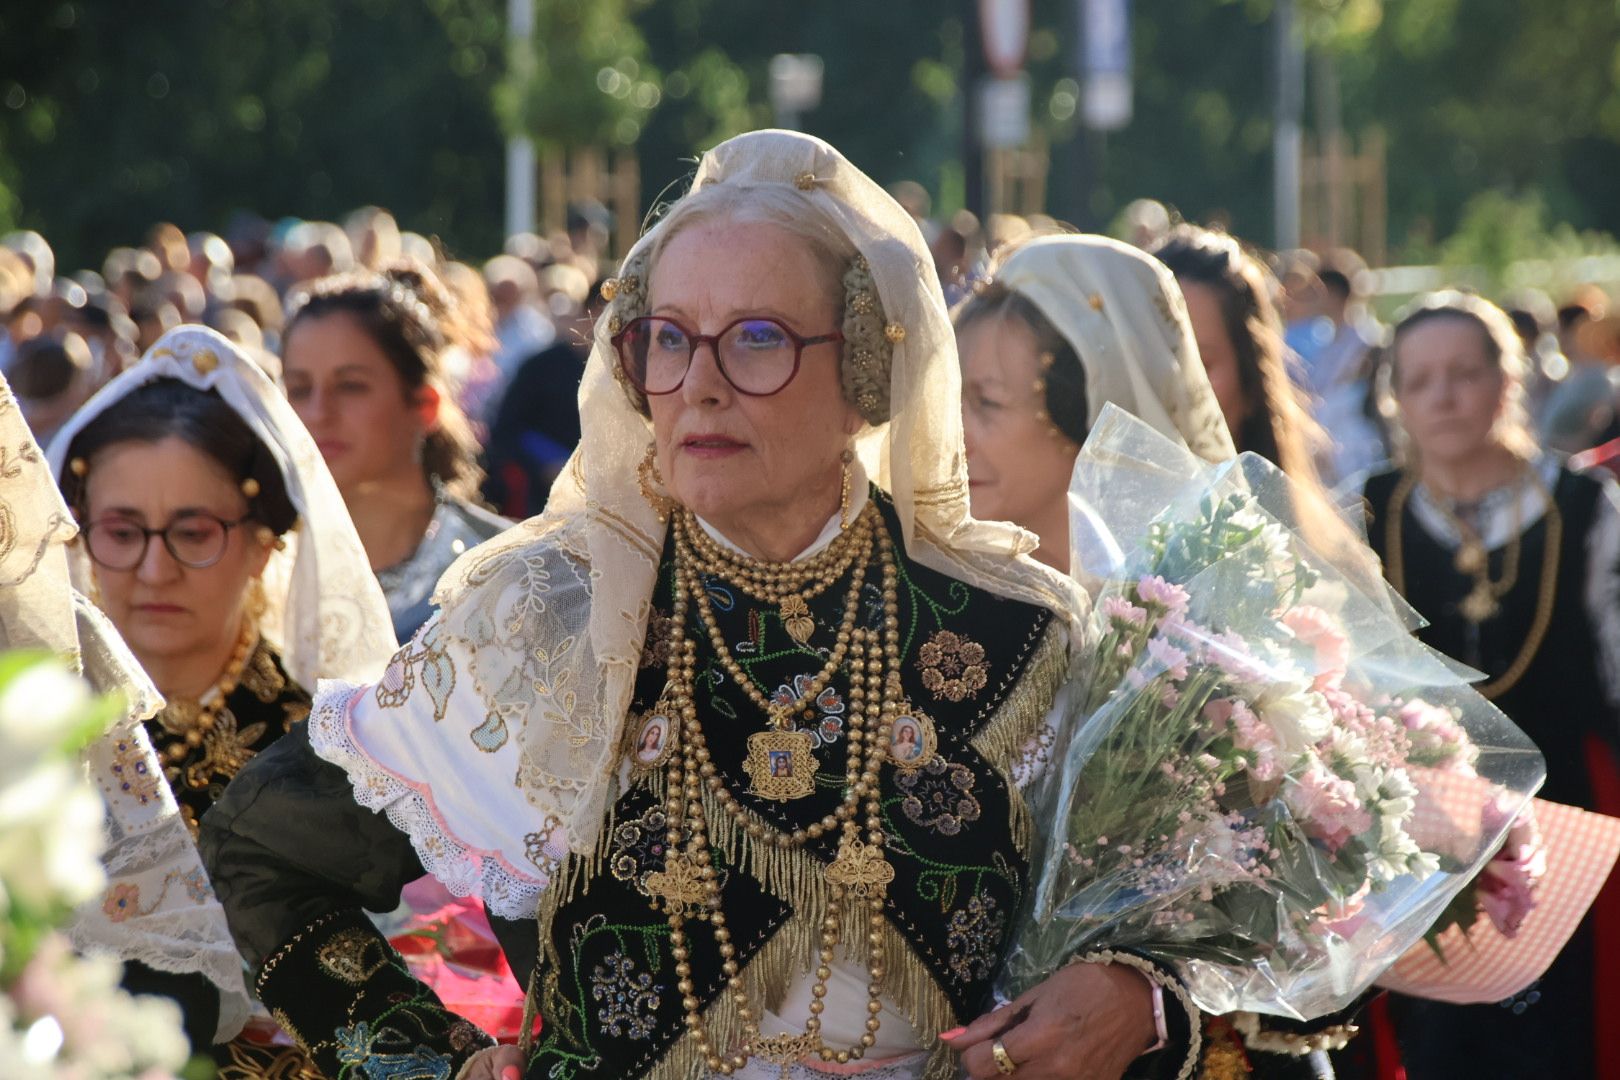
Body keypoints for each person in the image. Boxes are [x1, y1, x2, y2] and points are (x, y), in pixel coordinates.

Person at [200, 130, 1223, 1080]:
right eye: (669, 338)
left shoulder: (1016, 633)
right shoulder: (547, 618)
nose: (700, 384)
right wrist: (426, 1061)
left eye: (760, 338)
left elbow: (1157, 925)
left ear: (868, 369)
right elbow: (264, 849)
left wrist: (1138, 992)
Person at [44, 324, 396, 1074]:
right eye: (120, 530)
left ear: (266, 539)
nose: (152, 569)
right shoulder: (37, 738)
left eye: (192, 532)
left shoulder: (332, 745)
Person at [1361, 291, 1620, 1079]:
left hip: (1564, 823)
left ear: (1508, 381)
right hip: (1414, 838)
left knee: (1554, 1038)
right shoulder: (1370, 511)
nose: (1443, 396)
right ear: (1396, 396)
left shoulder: (1582, 505)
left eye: (1465, 373)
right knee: (1431, 1046)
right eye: (1421, 379)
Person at [281, 264, 509, 642]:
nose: (319, 413)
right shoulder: (261, 571)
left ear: (425, 405)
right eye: (300, 389)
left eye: (351, 386)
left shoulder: (503, 574)